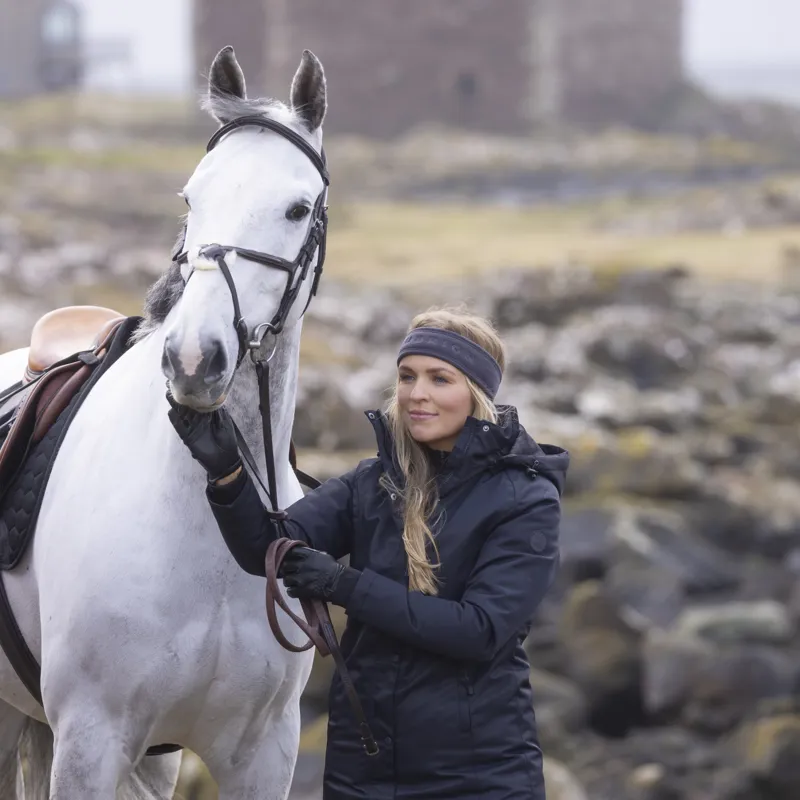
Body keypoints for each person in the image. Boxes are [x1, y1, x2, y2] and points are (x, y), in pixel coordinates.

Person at [167, 306, 569, 800]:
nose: (416, 393)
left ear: (477, 393)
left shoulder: (525, 498)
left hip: (480, 775)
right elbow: (268, 551)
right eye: (406, 376)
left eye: (439, 379)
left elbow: (477, 631)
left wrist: (342, 586)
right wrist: (226, 472)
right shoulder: (373, 481)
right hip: (364, 767)